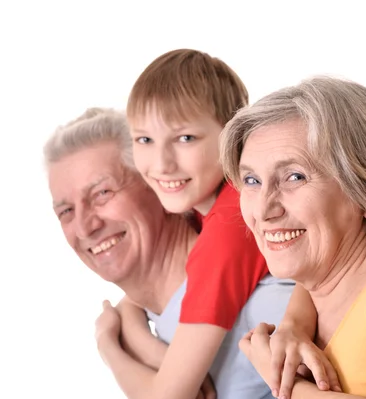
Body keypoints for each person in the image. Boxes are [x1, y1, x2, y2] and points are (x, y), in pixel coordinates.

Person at [219, 76, 366, 398]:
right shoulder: (326, 285)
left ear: (364, 188)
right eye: (251, 180)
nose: (263, 209)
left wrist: (292, 390)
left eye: (294, 177)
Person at [45, 107, 293, 399]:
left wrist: (108, 345)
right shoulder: (150, 320)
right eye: (66, 211)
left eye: (103, 193)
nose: (86, 227)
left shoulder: (267, 308)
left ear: (161, 184)